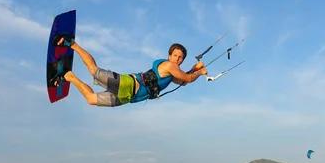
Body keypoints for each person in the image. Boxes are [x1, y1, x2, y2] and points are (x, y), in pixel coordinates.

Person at [51, 34, 208, 107]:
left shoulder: (173, 73)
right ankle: (71, 43)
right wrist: (200, 72)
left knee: (91, 99)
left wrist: (194, 69)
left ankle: (69, 77)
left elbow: (183, 80)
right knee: (93, 70)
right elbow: (187, 79)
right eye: (175, 56)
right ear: (169, 56)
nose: (177, 60)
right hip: (129, 84)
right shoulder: (169, 65)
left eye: (180, 58)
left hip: (128, 97)